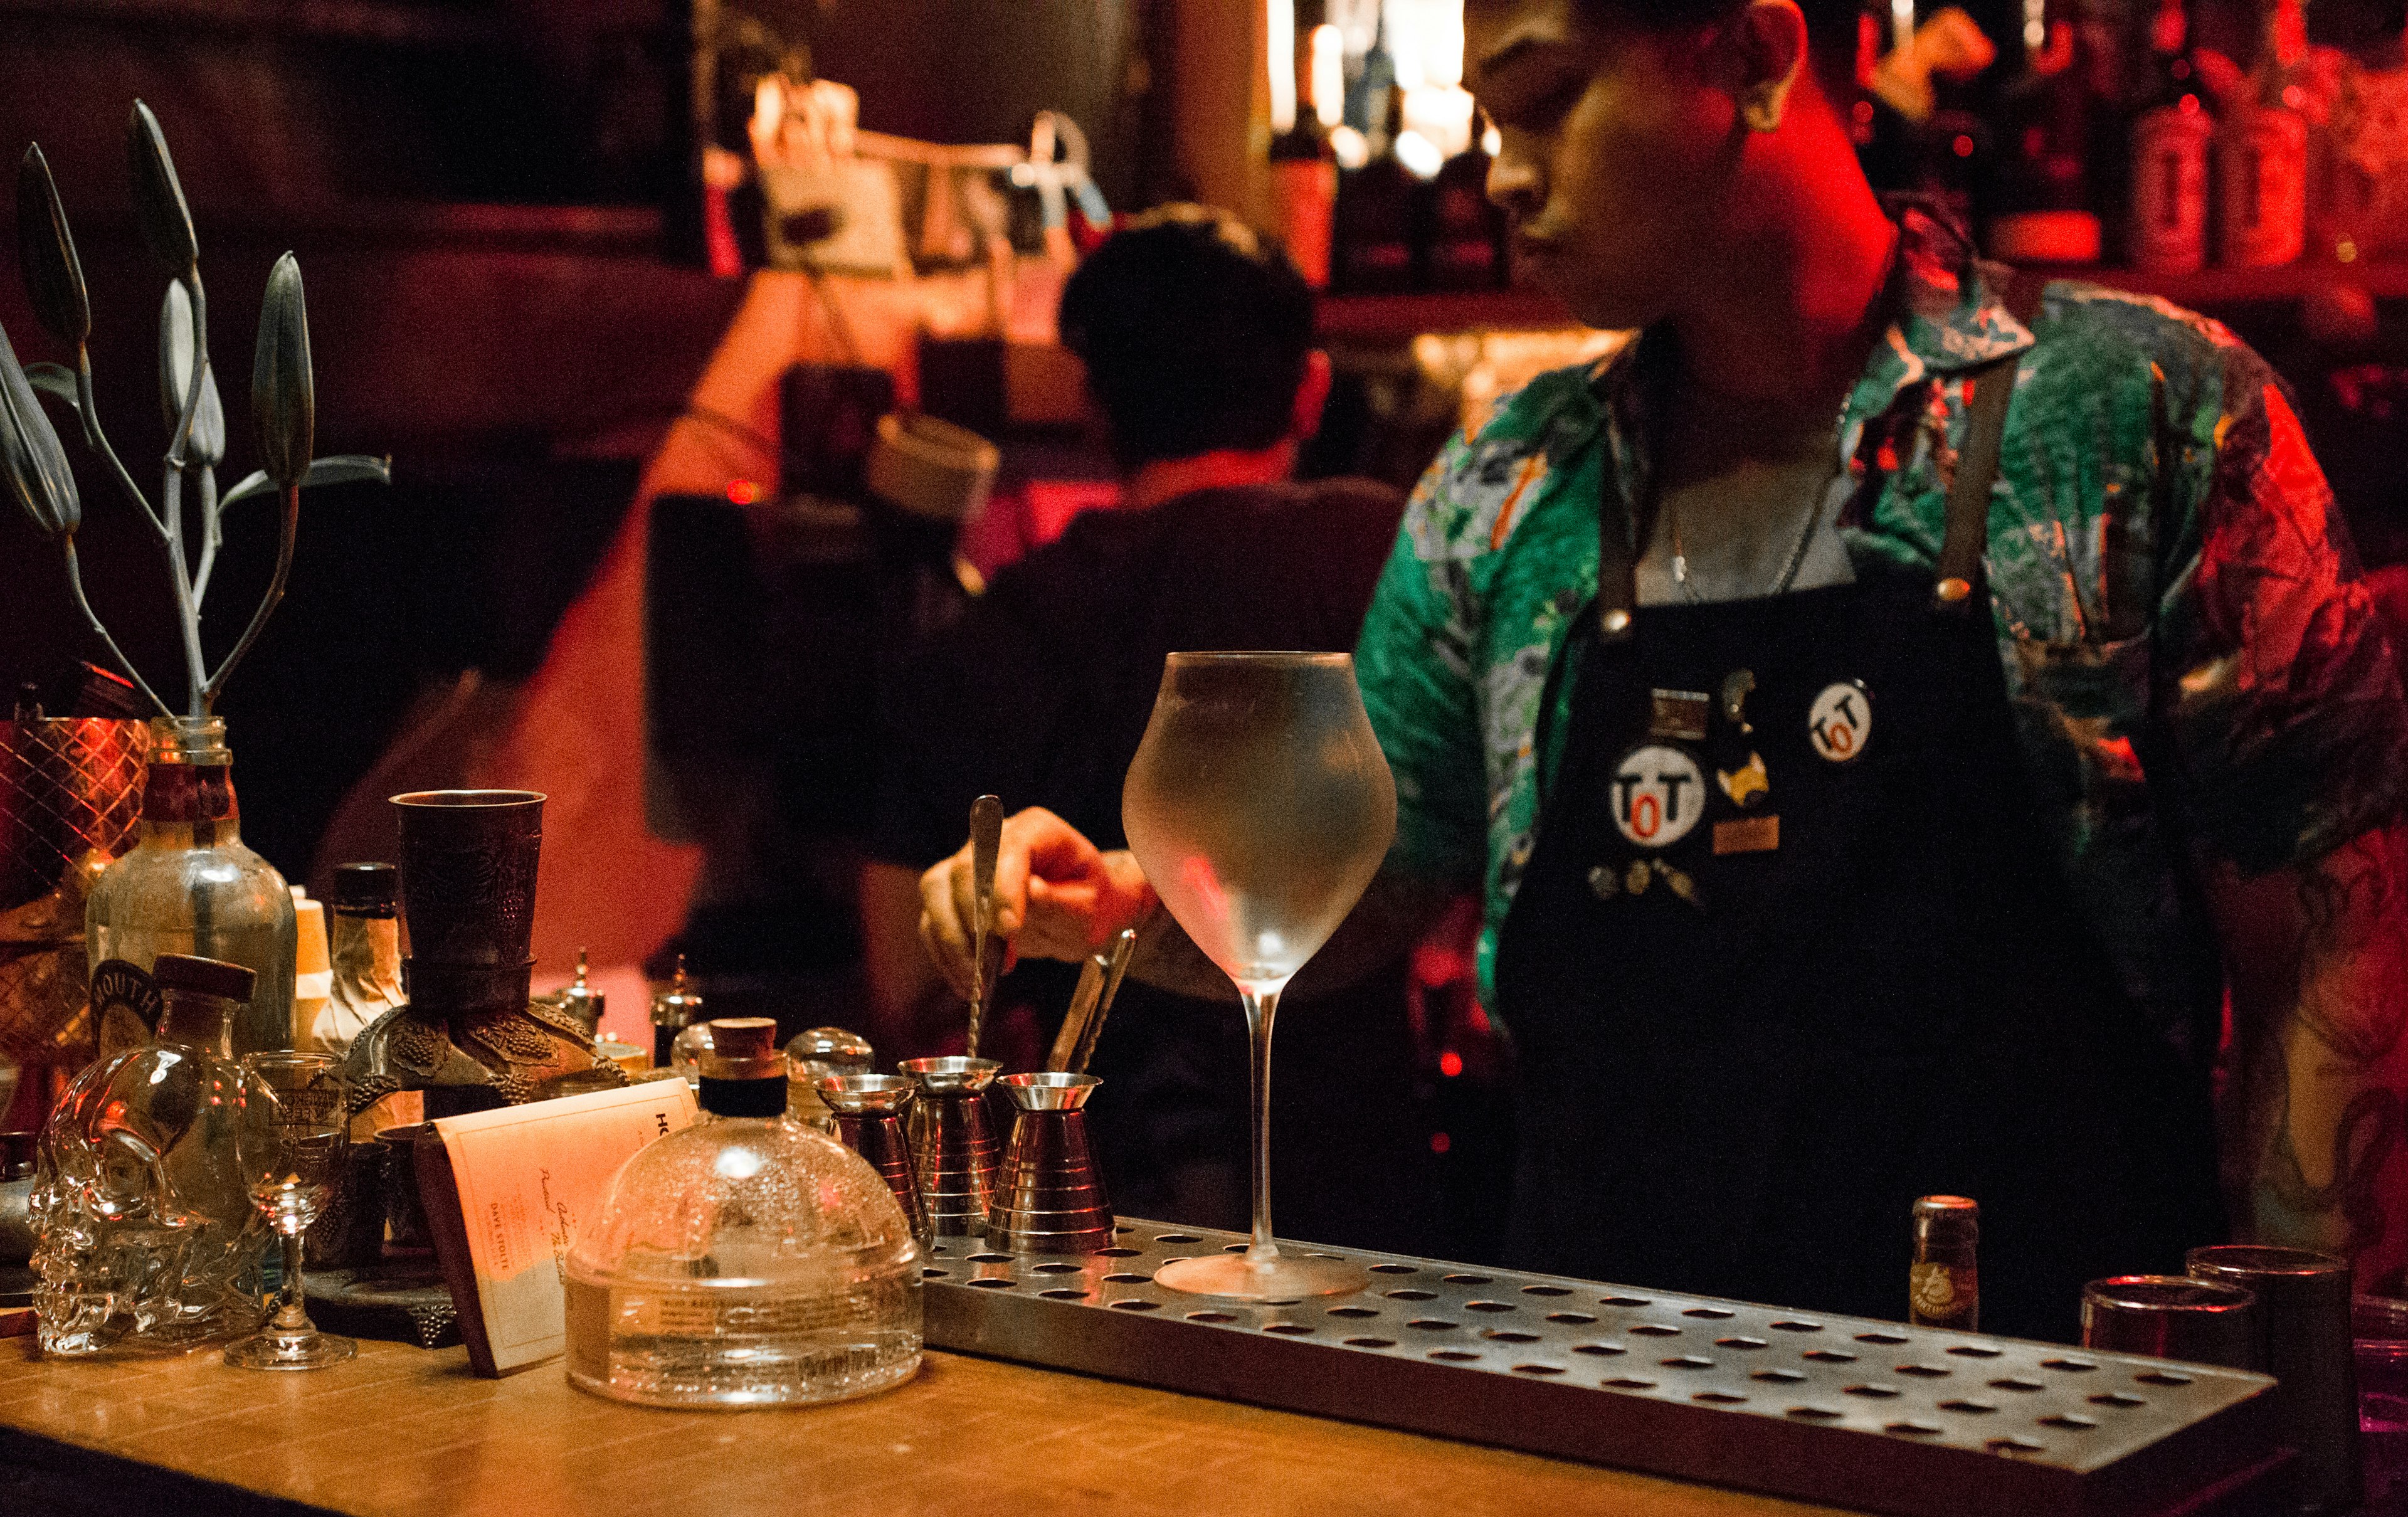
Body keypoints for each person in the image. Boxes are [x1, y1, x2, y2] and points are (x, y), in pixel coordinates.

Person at [921, 0, 2408, 1338]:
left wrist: (2299, 1399)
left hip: (2042, 1410)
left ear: (1754, 57)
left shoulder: (2137, 412)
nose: (1500, 173)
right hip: (1601, 1398)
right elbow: (1359, 887)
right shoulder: (1511, 481)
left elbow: (2331, 949)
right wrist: (1118, 904)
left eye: (1545, 99)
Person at [865, 206, 1454, 1250]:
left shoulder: (1006, 621)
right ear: (1312, 389)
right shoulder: (1393, 556)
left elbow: (909, 977)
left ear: (1094, 406)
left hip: (1093, 1199)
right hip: (1361, 1184)